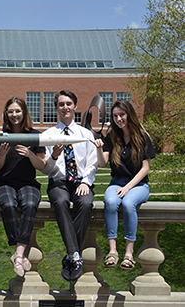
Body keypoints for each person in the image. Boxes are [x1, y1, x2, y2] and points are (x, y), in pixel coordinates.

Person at [92, 100, 155, 270]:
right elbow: (103, 164)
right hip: (117, 182)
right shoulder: (112, 137)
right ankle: (113, 251)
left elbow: (145, 168)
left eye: (122, 115)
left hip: (139, 185)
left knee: (128, 204)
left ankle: (129, 253)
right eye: (115, 116)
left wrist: (128, 188)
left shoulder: (142, 136)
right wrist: (98, 148)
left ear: (129, 114)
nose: (119, 118)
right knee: (111, 202)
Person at [42, 90, 97, 281]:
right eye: (61, 104)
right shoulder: (48, 135)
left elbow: (92, 163)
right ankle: (75, 254)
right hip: (58, 182)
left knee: (86, 203)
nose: (65, 107)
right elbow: (46, 169)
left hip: (81, 181)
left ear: (75, 106)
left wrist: (86, 183)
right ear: (56, 107)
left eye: (68, 104)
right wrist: (54, 156)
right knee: (61, 201)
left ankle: (71, 255)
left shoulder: (85, 134)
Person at [0, 97, 46, 277]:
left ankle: (18, 255)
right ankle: (20, 254)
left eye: (18, 111)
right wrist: (3, 155)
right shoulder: (0, 136)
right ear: (6, 114)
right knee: (8, 205)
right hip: (4, 183)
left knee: (30, 204)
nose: (14, 115)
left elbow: (42, 165)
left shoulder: (34, 134)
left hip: (28, 183)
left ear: (24, 113)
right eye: (11, 111)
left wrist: (30, 154)